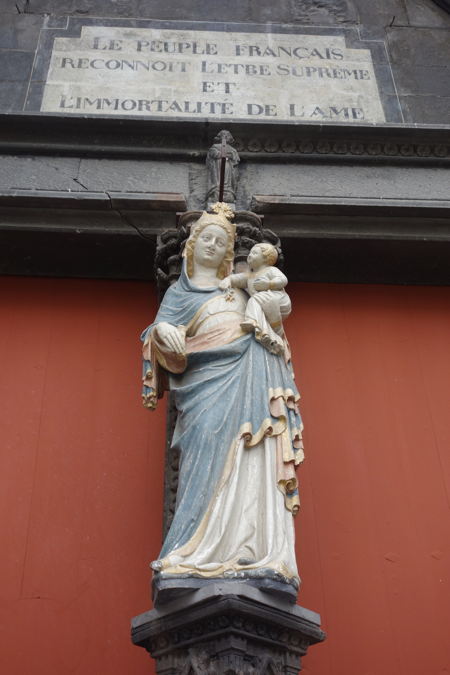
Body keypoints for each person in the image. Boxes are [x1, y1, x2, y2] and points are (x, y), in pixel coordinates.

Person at [141, 205, 304, 594]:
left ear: (231, 251)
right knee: (203, 453)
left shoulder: (245, 282)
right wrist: (164, 332)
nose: (212, 246)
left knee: (258, 454)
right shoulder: (180, 294)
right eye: (206, 239)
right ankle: (194, 552)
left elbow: (277, 310)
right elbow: (158, 336)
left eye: (221, 241)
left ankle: (259, 550)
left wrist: (261, 294)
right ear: (190, 247)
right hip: (205, 387)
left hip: (254, 372)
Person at [219, 242, 291, 355]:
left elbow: (283, 280)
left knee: (254, 300)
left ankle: (254, 321)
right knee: (254, 302)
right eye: (250, 252)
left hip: (278, 299)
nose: (250, 255)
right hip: (261, 300)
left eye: (254, 253)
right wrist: (228, 280)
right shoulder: (249, 275)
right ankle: (263, 331)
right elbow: (236, 279)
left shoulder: (271, 270)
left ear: (266, 258)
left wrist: (269, 284)